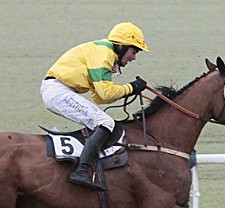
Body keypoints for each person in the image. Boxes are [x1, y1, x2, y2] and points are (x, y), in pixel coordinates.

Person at [41, 22, 149, 191]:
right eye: (134, 51)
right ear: (122, 45)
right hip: (58, 91)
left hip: (60, 90)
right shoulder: (104, 54)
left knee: (104, 122)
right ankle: (80, 171)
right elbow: (105, 94)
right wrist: (131, 88)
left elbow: (98, 97)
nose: (134, 58)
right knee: (105, 123)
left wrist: (129, 90)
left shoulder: (105, 53)